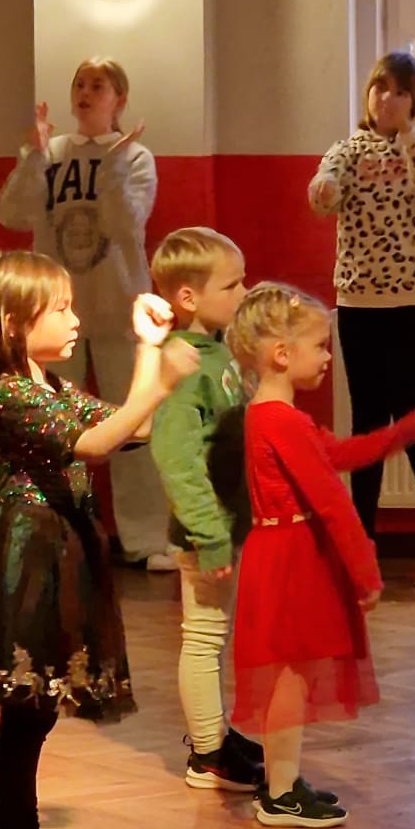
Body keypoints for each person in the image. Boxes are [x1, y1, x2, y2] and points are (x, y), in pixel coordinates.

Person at [0, 250, 199, 829]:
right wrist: (162, 381)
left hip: (62, 551)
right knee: (26, 706)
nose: (75, 319)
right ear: (13, 323)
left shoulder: (48, 384)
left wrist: (148, 346)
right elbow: (98, 444)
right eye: (61, 309)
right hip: (25, 557)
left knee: (43, 702)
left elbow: (131, 427)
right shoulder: (11, 396)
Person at [226, 282, 415, 827]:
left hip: (284, 552)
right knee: (289, 676)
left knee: (289, 673)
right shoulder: (281, 420)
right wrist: (366, 572)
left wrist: (399, 433)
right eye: (319, 346)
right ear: (281, 353)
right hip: (292, 557)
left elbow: (337, 454)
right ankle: (279, 793)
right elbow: (333, 502)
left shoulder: (271, 416)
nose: (326, 357)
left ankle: (283, 782)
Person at [0, 57, 175, 569]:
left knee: (134, 425)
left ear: (119, 99)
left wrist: (112, 166)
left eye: (98, 85)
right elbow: (11, 213)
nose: (86, 92)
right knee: (53, 429)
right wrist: (32, 156)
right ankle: (56, 533)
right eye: (80, 83)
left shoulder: (135, 158)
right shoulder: (51, 152)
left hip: (119, 307)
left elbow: (125, 225)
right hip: (54, 316)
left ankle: (146, 540)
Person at [308, 52, 415, 587]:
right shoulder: (347, 150)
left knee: (414, 418)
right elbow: (323, 191)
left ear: (414, 101)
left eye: (399, 92)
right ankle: (361, 542)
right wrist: (323, 188)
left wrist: (409, 137)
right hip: (360, 305)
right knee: (368, 424)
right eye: (379, 88)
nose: (386, 99)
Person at [148, 227, 263, 793]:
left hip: (227, 526)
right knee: (203, 637)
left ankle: (215, 732)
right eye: (232, 285)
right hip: (205, 533)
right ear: (188, 297)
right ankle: (207, 752)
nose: (244, 292)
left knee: (216, 636)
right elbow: (178, 460)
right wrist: (210, 535)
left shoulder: (218, 353)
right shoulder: (183, 364)